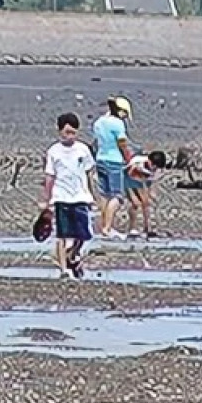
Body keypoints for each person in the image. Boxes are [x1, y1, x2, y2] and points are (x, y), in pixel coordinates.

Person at [42, 112, 96, 278]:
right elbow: (50, 177)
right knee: (62, 235)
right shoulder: (53, 151)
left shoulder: (83, 149)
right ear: (60, 132)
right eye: (67, 132)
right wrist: (46, 200)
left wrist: (93, 197)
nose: (71, 136)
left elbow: (89, 173)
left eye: (74, 132)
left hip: (80, 196)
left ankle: (73, 254)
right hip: (61, 197)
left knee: (83, 235)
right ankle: (63, 268)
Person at [91, 96, 135, 238]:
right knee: (117, 196)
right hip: (114, 161)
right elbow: (122, 143)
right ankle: (108, 228)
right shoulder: (117, 124)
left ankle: (104, 225)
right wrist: (129, 158)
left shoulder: (99, 122)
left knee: (104, 195)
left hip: (100, 159)